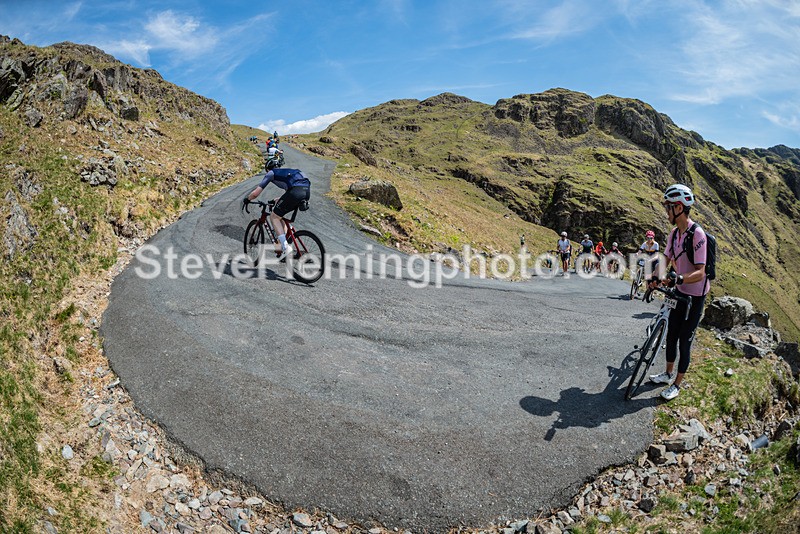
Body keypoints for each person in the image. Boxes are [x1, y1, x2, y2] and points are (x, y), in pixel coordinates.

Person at [647, 184, 711, 401]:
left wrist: (680, 278)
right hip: (678, 291)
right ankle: (667, 373)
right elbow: (665, 260)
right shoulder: (674, 234)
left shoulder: (697, 234)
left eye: (668, 207)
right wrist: (655, 277)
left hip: (695, 295)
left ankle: (677, 384)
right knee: (671, 335)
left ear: (679, 207)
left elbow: (701, 272)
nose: (666, 211)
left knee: (685, 340)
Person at [243, 162, 311, 260]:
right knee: (280, 216)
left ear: (267, 169)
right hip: (306, 191)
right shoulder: (287, 172)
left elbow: (255, 193)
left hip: (296, 191)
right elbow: (289, 193)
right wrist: (277, 200)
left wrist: (247, 199)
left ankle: (285, 247)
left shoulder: (271, 173)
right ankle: (282, 247)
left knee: (274, 217)